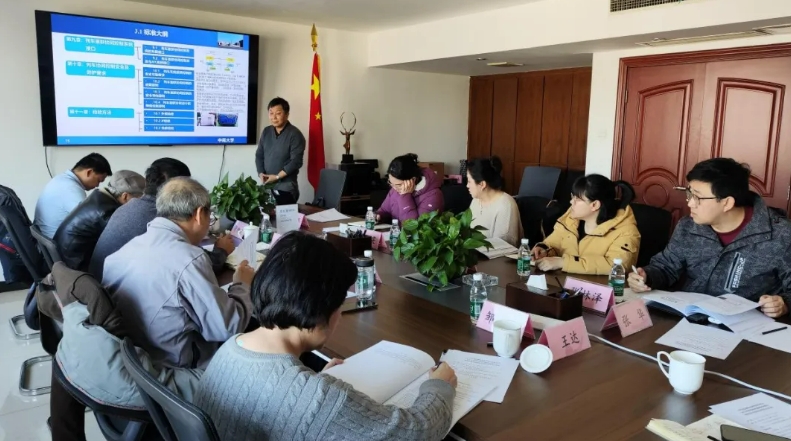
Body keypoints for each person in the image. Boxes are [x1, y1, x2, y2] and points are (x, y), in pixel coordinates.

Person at [194, 232, 457, 441]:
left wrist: (314, 382)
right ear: (319, 310)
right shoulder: (319, 399)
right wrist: (439, 386)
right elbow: (418, 432)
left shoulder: (230, 349)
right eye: (339, 305)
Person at [102, 177, 255, 368]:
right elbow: (228, 327)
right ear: (199, 214)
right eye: (210, 217)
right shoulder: (190, 259)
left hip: (134, 361)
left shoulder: (121, 253)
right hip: (177, 370)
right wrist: (242, 284)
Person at [628, 158, 791, 318]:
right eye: (689, 194)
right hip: (690, 317)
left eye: (697, 197)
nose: (690, 203)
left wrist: (783, 304)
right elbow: (667, 267)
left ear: (727, 203)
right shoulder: (688, 226)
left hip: (745, 326)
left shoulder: (781, 235)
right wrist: (646, 276)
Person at [89, 158, 234, 280]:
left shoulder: (130, 206)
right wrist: (221, 251)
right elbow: (197, 266)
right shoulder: (161, 217)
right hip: (117, 296)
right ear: (175, 189)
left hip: (103, 288)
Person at [532, 174, 641, 275]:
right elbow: (554, 243)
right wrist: (544, 250)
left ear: (595, 205)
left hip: (601, 287)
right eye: (572, 196)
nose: (571, 202)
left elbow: (615, 265)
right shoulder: (571, 219)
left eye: (577, 199)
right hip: (564, 283)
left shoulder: (626, 231)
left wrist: (563, 262)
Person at [54, 170, 145, 272]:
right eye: (139, 198)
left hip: (64, 257)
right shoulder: (107, 212)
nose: (140, 203)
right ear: (125, 196)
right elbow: (121, 242)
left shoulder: (98, 196)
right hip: (76, 266)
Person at [34, 153, 112, 238]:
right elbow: (90, 222)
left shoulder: (61, 179)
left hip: (45, 239)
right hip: (54, 243)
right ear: (89, 172)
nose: (97, 185)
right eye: (98, 180)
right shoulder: (71, 189)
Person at [255, 97, 306, 202]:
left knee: (282, 212)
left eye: (278, 113)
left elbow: (296, 162)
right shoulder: (266, 131)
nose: (274, 117)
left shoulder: (295, 134)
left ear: (287, 115)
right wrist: (261, 173)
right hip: (267, 185)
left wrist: (277, 177)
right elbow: (259, 155)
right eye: (271, 113)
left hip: (286, 187)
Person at [466, 156, 523, 246]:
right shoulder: (475, 201)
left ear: (482, 184)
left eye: (469, 181)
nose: (467, 186)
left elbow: (502, 245)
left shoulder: (506, 205)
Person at [377, 154, 444, 224]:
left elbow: (413, 227)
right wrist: (379, 216)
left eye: (398, 185)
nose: (394, 188)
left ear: (413, 180)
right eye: (390, 182)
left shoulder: (434, 195)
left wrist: (405, 196)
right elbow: (384, 210)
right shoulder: (395, 188)